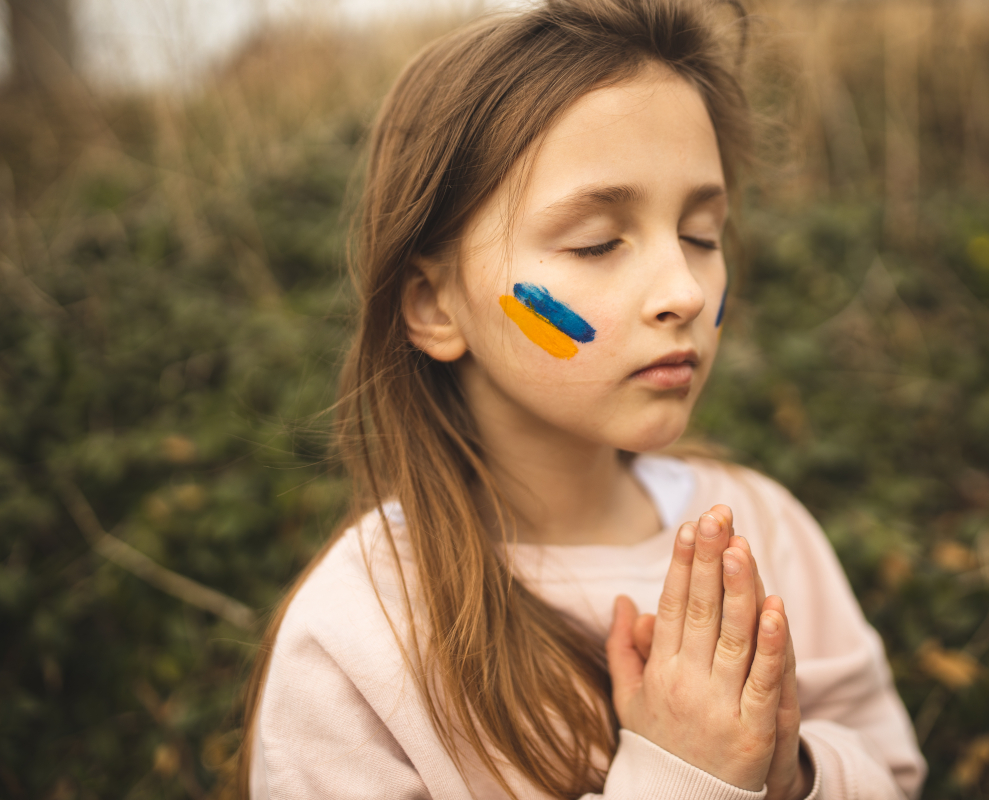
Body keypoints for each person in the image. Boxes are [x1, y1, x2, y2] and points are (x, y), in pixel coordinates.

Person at [237, 0, 926, 797]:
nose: (684, 291)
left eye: (701, 234)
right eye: (598, 241)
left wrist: (796, 773)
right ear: (433, 305)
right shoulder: (361, 632)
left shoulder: (764, 530)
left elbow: (893, 771)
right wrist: (680, 780)